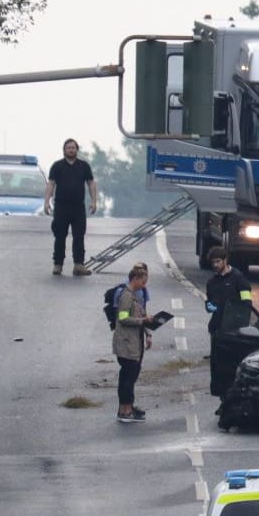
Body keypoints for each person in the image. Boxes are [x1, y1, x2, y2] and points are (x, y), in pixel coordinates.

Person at [203, 247, 255, 409]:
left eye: (218, 261)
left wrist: (239, 322)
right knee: (217, 366)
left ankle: (233, 397)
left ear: (225, 260)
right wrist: (211, 307)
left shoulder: (239, 279)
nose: (216, 265)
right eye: (213, 262)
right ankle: (222, 396)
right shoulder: (212, 282)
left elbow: (247, 304)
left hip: (234, 331)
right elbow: (209, 303)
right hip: (217, 330)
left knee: (233, 366)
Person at [44, 139, 99, 276]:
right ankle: (58, 264)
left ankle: (79, 265)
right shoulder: (57, 166)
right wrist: (46, 202)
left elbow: (91, 183)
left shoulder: (84, 166)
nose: (71, 150)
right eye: (68, 148)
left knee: (79, 236)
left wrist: (94, 201)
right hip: (61, 207)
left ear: (77, 150)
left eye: (73, 147)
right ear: (64, 150)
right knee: (60, 236)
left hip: (78, 207)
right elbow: (51, 184)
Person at [111, 263, 151, 424]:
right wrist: (143, 320)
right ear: (135, 279)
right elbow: (123, 318)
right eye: (143, 281)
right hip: (126, 343)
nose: (144, 285)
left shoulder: (134, 294)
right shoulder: (126, 296)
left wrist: (147, 330)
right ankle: (125, 410)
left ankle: (127, 407)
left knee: (130, 376)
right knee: (128, 377)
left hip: (134, 341)